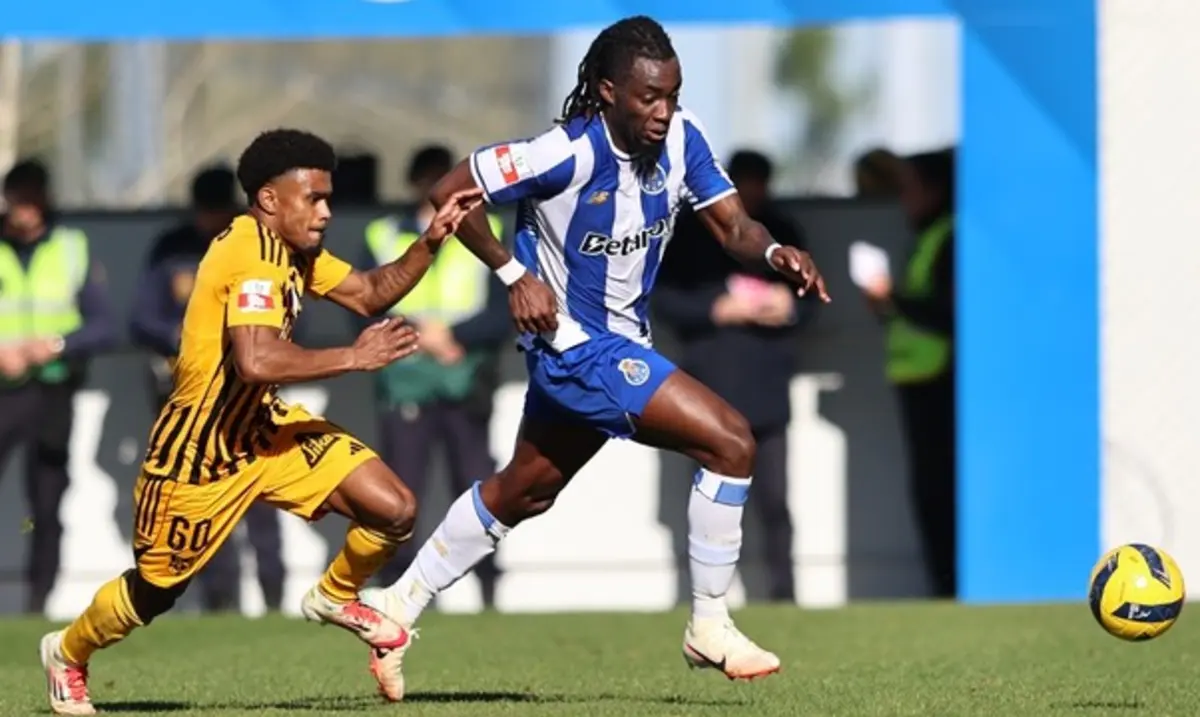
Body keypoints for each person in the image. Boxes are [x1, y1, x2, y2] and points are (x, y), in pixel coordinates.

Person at [359, 15, 829, 698]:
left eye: (671, 94)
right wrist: (513, 274)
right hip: (576, 349)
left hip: (616, 346)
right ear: (608, 91)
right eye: (649, 99)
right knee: (730, 441)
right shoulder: (564, 152)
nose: (663, 112)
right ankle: (709, 622)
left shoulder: (685, 137)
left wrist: (773, 252)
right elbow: (451, 193)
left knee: (524, 489)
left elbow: (733, 225)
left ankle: (394, 604)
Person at [38, 128, 484, 715]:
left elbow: (372, 292)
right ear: (270, 200)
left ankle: (334, 597)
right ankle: (67, 654)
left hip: (263, 432)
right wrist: (355, 356)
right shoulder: (253, 256)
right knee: (156, 591)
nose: (326, 211)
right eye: (314, 199)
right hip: (198, 451)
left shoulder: (292, 249)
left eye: (329, 198)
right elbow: (256, 360)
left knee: (393, 507)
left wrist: (432, 239)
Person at [130, 165, 286, 613]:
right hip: (192, 398)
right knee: (201, 499)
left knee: (259, 493)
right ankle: (219, 601)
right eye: (206, 210)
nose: (211, 219)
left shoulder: (258, 247)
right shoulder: (173, 250)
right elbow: (141, 318)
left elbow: (292, 315)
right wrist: (187, 340)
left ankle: (272, 595)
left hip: (248, 393)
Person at [655, 149, 809, 602]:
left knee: (775, 502)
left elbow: (812, 296)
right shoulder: (689, 233)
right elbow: (661, 299)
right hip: (709, 390)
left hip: (767, 387)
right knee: (709, 503)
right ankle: (704, 597)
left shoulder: (783, 234)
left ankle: (785, 595)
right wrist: (716, 309)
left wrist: (789, 307)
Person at [361, 145, 509, 600]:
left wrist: (455, 337)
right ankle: (397, 591)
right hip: (406, 379)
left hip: (465, 379)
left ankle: (487, 588)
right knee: (401, 492)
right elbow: (361, 304)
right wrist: (422, 336)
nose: (436, 192)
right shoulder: (381, 235)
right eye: (428, 182)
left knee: (477, 486)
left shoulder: (494, 229)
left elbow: (507, 309)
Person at [0, 159, 117, 615]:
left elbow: (104, 327)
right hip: (3, 389)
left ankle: (36, 603)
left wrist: (55, 344)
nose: (23, 209)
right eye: (16, 198)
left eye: (32, 198)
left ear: (45, 199)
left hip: (52, 389)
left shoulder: (72, 248)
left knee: (45, 504)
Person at [861, 148, 956, 598]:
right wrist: (887, 303)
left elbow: (947, 311)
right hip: (917, 380)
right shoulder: (925, 237)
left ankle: (951, 585)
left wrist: (894, 296)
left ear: (934, 190)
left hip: (942, 380)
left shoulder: (951, 238)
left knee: (942, 489)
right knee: (927, 490)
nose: (901, 199)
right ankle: (940, 586)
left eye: (909, 188)